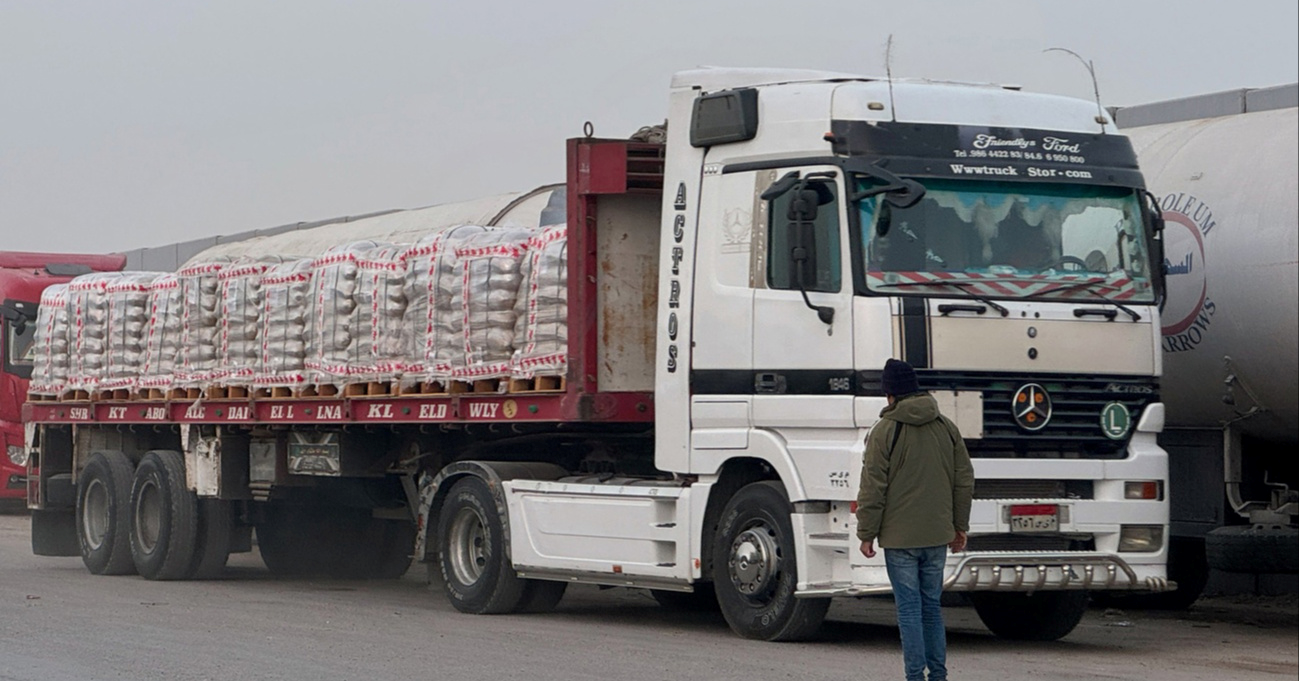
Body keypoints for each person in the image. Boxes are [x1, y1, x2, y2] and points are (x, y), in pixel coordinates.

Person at [857, 359, 975, 681]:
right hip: (938, 535)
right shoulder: (946, 427)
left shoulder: (883, 431)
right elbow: (964, 479)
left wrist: (866, 533)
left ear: (889, 394)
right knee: (931, 608)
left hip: (899, 540)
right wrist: (959, 525)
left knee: (909, 609)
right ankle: (938, 675)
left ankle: (914, 676)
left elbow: (873, 486)